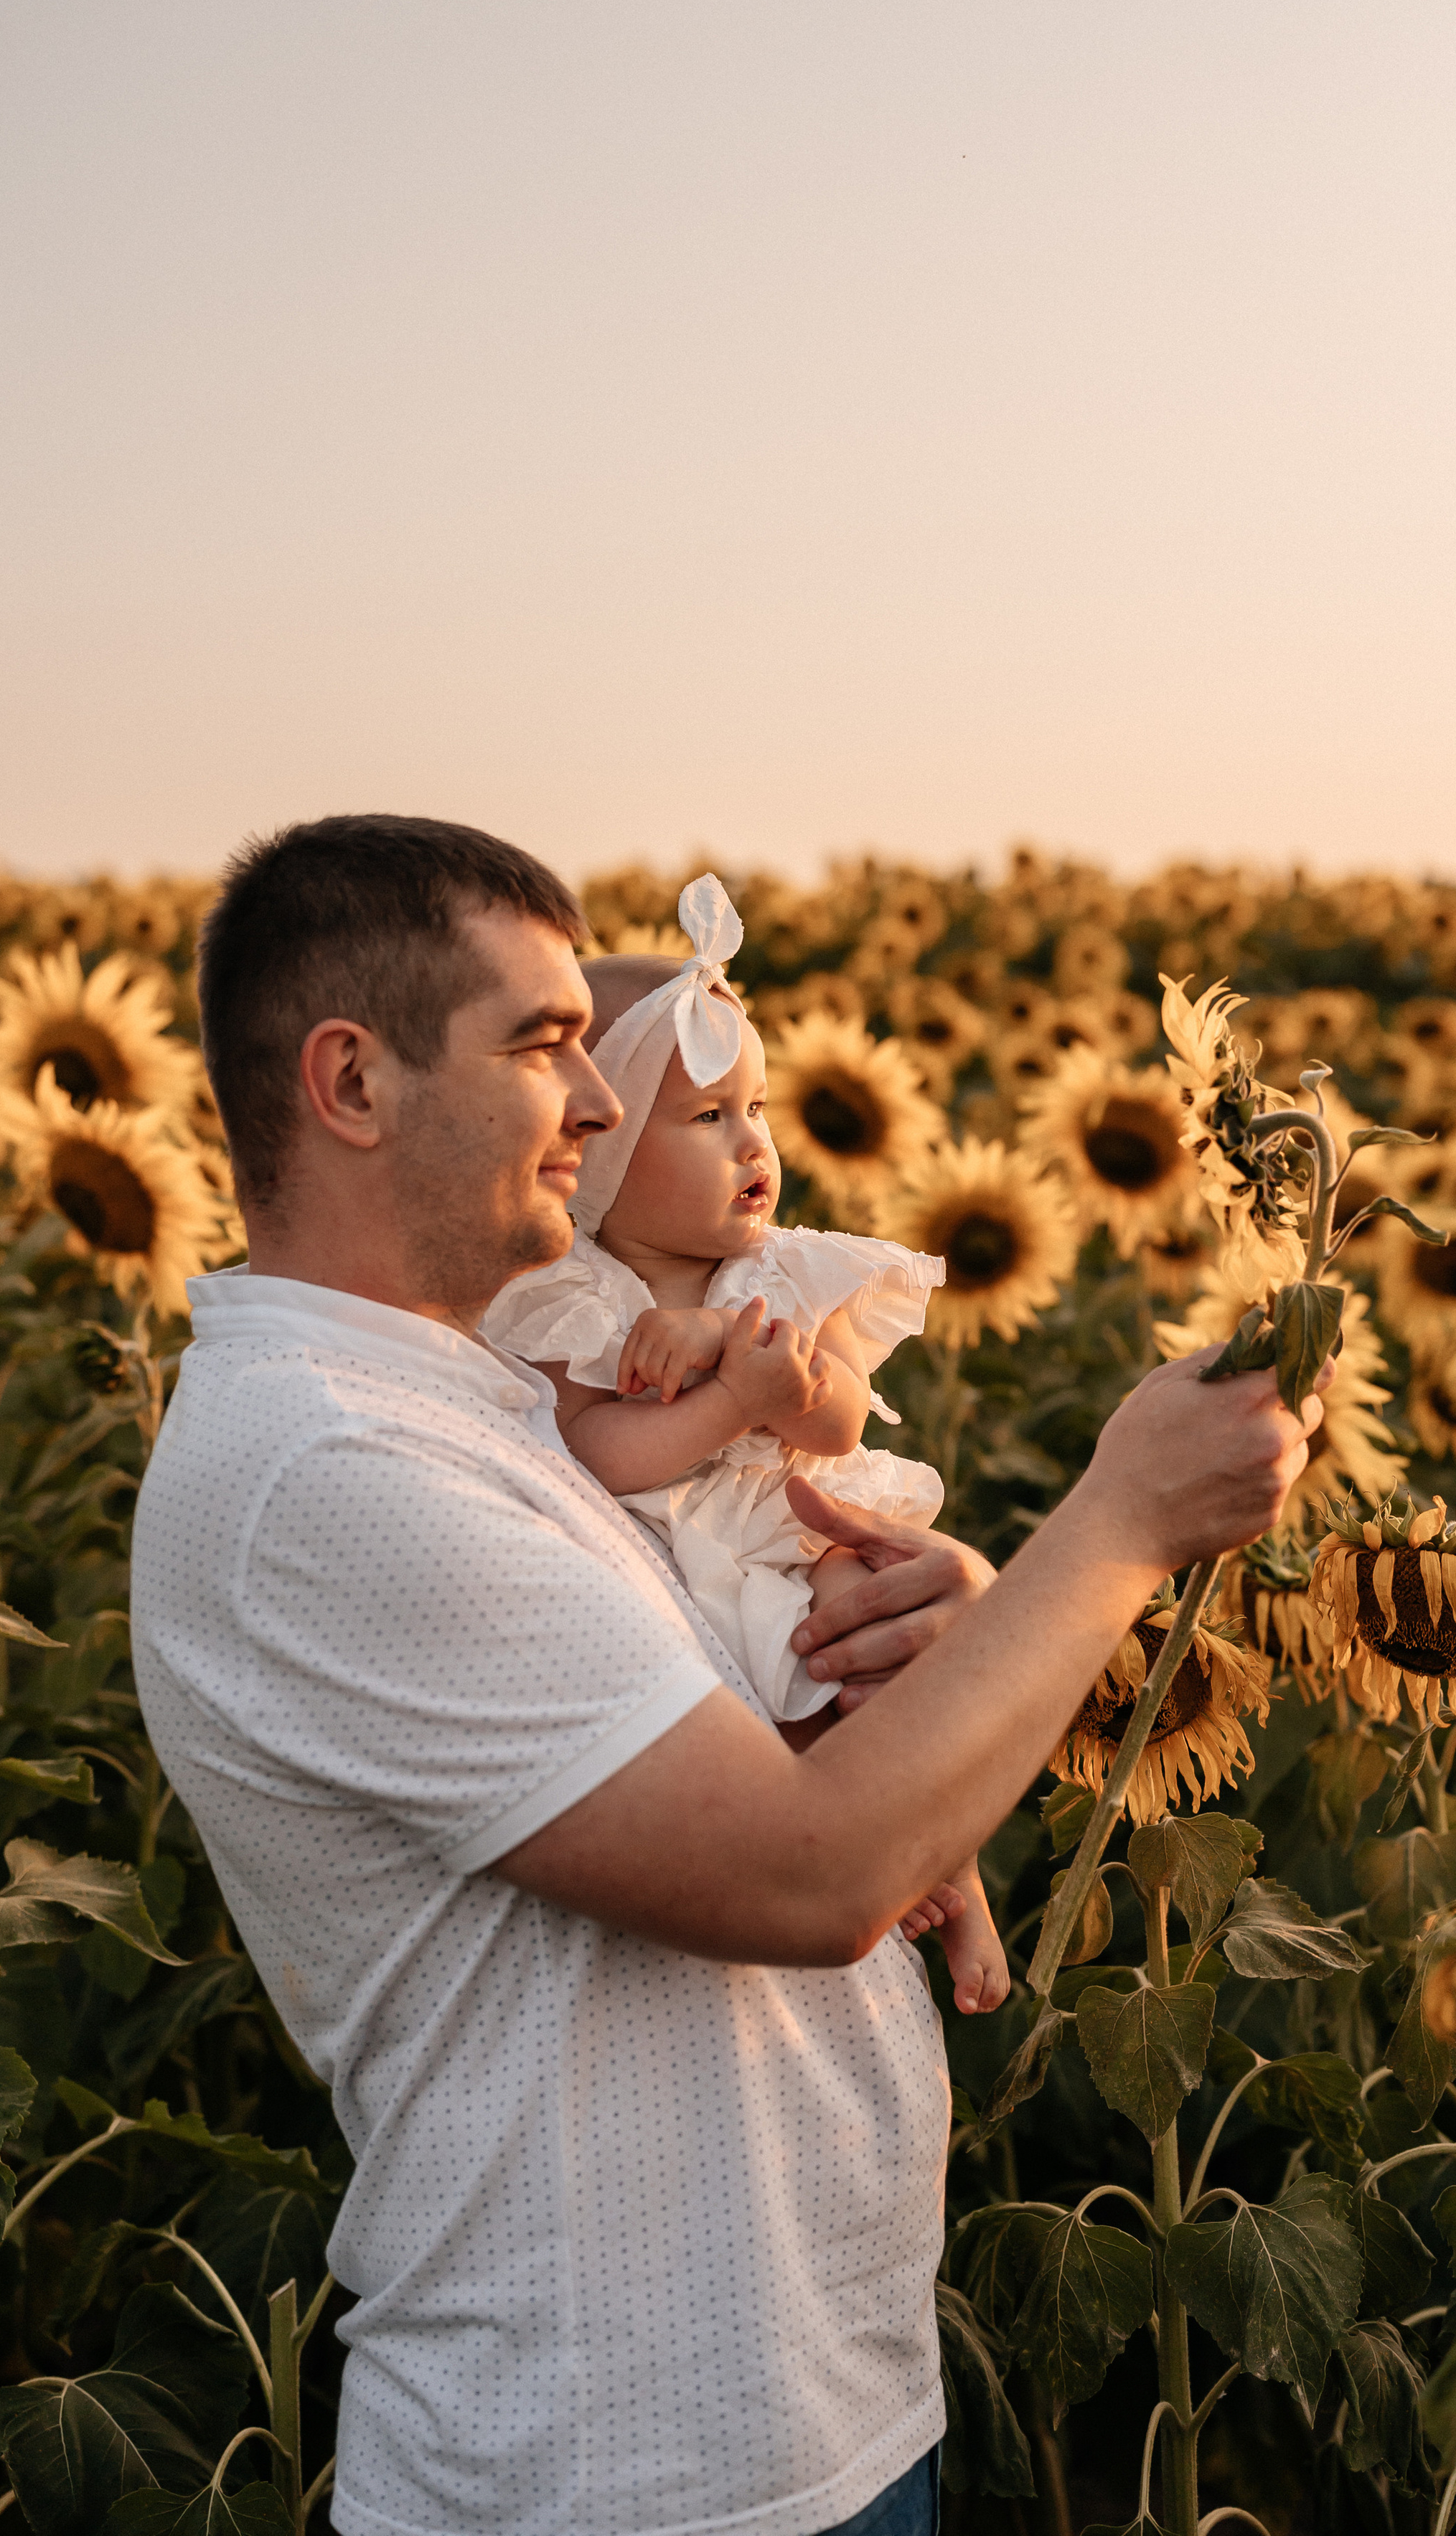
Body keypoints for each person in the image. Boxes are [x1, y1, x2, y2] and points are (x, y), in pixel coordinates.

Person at [130, 814, 1322, 2536]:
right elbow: (809, 1872)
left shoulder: (479, 1409)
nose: (605, 1105)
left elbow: (770, 1754)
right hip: (613, 2472)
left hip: (803, 2418)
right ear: (352, 1082)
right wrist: (1122, 1529)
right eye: (545, 1047)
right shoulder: (333, 1473)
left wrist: (954, 1619)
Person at [484, 871, 1008, 2014]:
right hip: (689, 1557)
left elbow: (838, 1420)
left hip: (797, 1524)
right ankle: (886, 1867)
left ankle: (956, 1873)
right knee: (798, 1693)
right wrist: (724, 1403)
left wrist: (748, 1354)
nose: (753, 1143)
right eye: (710, 1118)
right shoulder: (579, 1298)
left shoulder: (780, 1273)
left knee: (895, 1659)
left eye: (759, 1109)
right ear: (605, 1152)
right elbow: (604, 1456)